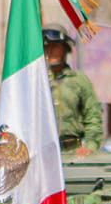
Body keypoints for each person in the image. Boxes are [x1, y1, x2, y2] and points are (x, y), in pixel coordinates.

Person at [43, 26, 104, 156]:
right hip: (42, 152)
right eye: (46, 46)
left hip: (73, 151)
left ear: (65, 49)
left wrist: (90, 146)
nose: (51, 51)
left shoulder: (79, 81)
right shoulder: (34, 81)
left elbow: (93, 115)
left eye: (56, 46)